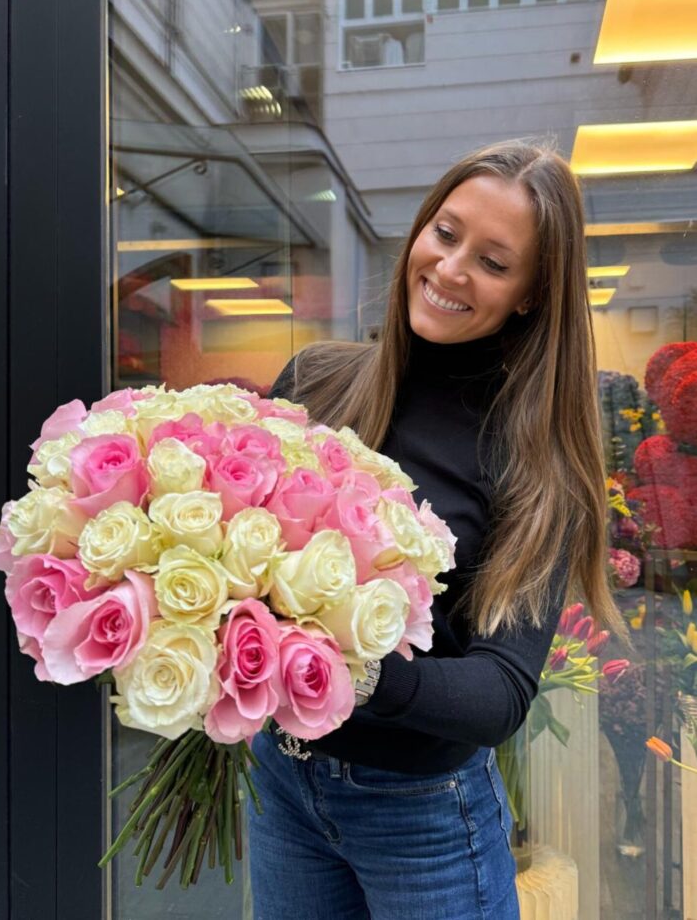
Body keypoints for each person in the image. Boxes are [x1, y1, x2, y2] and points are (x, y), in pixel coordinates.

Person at [247, 139, 631, 920]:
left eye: (494, 262)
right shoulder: (316, 381)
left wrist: (337, 670)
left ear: (531, 293)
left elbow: (500, 691)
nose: (452, 270)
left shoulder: (538, 459)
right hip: (283, 782)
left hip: (424, 813)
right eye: (446, 234)